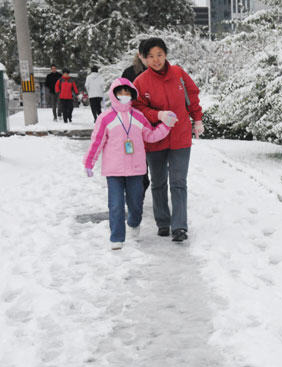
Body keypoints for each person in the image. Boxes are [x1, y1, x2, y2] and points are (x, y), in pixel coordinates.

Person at [83, 78, 178, 250]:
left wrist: (167, 125)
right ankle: (117, 238)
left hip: (136, 170)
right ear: (114, 94)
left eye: (127, 93)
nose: (124, 96)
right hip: (114, 170)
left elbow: (150, 136)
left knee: (135, 203)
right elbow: (97, 141)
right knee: (116, 204)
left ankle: (134, 222)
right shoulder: (106, 118)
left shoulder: (139, 116)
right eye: (120, 92)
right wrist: (89, 162)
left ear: (132, 94)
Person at [133, 37, 204, 242]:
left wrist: (197, 119)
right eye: (151, 57)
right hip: (155, 139)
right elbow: (138, 109)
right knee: (158, 182)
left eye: (160, 55)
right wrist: (158, 116)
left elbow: (192, 96)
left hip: (180, 137)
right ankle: (163, 222)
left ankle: (179, 226)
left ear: (165, 54)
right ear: (144, 59)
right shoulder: (141, 82)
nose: (156, 60)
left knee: (178, 182)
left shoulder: (178, 74)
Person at [122, 39, 151, 198]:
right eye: (146, 54)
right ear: (139, 55)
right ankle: (137, 193)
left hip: (155, 124)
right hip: (134, 125)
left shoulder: (161, 72)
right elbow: (121, 97)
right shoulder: (130, 72)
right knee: (138, 161)